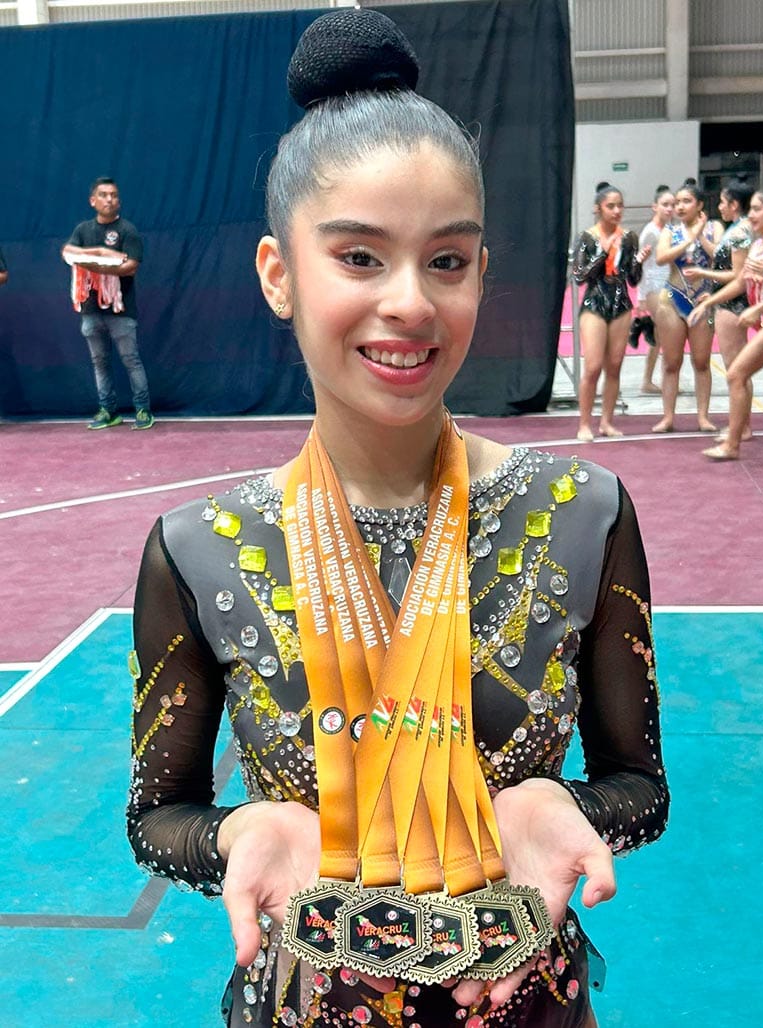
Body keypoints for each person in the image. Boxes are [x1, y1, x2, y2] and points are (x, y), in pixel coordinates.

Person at [126, 11, 669, 1028]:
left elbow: (638, 782)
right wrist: (244, 831)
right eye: (360, 257)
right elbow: (159, 813)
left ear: (482, 272)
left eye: (447, 260)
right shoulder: (199, 551)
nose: (411, 303)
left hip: (526, 1003)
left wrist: (557, 806)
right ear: (279, 273)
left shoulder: (581, 515)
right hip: (299, 1005)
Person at [689, 186, 763, 462]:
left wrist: (758, 308)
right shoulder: (758, 244)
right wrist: (709, 303)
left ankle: (732, 444)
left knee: (736, 374)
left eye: (758, 209)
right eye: (752, 209)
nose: (753, 215)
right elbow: (739, 282)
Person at [62, 177, 154, 430]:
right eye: (103, 195)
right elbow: (68, 253)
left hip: (120, 311)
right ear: (93, 201)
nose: (109, 199)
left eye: (113, 195)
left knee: (131, 360)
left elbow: (130, 266)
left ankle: (143, 409)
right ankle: (108, 410)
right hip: (90, 311)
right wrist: (104, 255)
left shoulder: (127, 230)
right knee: (99, 362)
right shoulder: (83, 230)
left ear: (119, 201)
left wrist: (90, 263)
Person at [572, 183, 650, 441]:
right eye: (611, 206)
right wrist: (602, 253)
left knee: (614, 366)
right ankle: (585, 423)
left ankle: (606, 422)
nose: (617, 211)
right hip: (595, 303)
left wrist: (639, 263)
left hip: (621, 304)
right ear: (598, 209)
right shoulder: (587, 237)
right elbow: (580, 276)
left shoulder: (629, 237)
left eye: (620, 206)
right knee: (593, 366)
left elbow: (633, 280)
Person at [683, 179, 753, 442]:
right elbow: (722, 257)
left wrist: (704, 274)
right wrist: (701, 235)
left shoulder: (740, 231)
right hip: (725, 302)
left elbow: (736, 275)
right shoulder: (736, 229)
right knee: (737, 369)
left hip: (732, 305)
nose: (720, 207)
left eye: (723, 202)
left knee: (736, 369)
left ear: (734, 205)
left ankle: (741, 427)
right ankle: (742, 425)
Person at [651, 180, 722, 434]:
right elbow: (661, 258)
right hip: (673, 299)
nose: (680, 206)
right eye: (677, 202)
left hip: (703, 300)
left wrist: (700, 235)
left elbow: (720, 256)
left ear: (700, 204)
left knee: (702, 362)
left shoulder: (714, 227)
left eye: (686, 201)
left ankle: (703, 416)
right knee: (671, 362)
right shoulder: (671, 231)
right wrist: (689, 238)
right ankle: (668, 417)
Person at [633, 185, 675, 394]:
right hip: (654, 287)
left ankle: (650, 380)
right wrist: (641, 297)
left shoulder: (669, 229)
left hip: (667, 285)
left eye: (672, 205)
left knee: (659, 337)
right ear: (655, 206)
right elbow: (641, 264)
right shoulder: (650, 232)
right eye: (665, 204)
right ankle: (660, 379)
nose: (669, 209)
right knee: (665, 335)